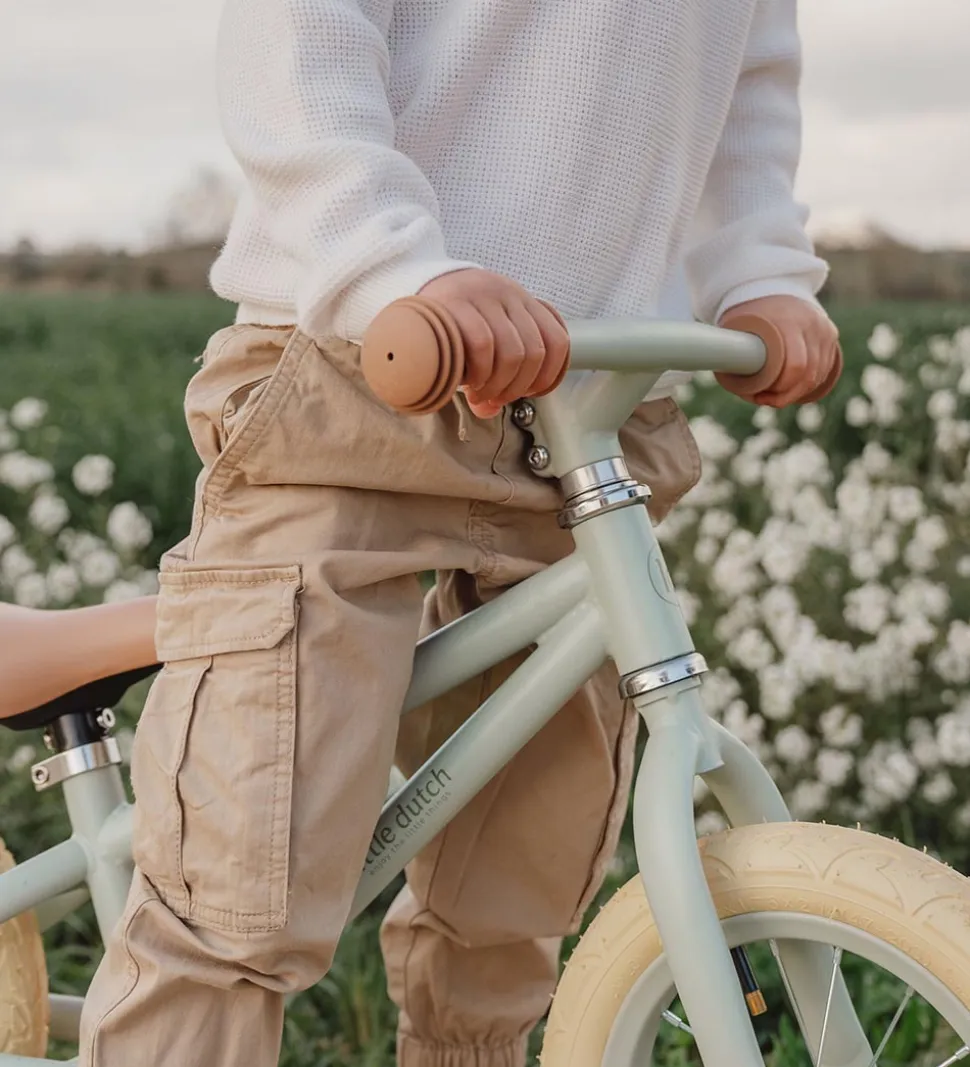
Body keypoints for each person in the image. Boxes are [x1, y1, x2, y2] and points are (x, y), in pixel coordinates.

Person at [79, 0, 839, 1064]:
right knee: (240, 886)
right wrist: (393, 261)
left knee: (515, 892)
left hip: (594, 400)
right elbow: (298, 38)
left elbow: (745, 80)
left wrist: (758, 265)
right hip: (362, 372)